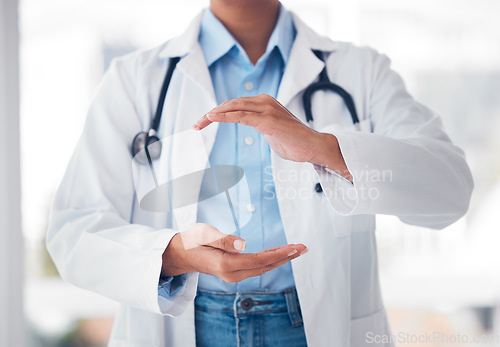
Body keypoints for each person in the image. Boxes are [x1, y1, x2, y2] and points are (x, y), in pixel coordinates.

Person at [46, 0, 474, 346]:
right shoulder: (136, 79)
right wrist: (175, 255)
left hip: (317, 327)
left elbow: (450, 190)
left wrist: (325, 148)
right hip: (189, 325)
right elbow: (75, 230)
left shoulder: (363, 72)